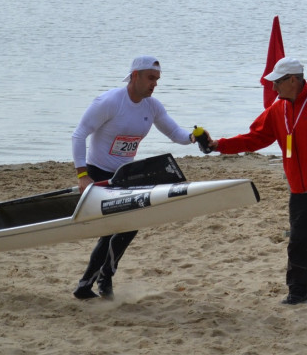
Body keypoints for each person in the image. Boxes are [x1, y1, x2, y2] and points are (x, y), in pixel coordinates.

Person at [206, 57, 307, 310]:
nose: (273, 88)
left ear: (293, 80)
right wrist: (219, 145)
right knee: (298, 241)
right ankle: (298, 292)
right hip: (299, 189)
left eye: (277, 83)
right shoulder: (278, 109)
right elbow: (254, 138)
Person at [72, 56, 207, 300]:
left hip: (125, 176)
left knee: (129, 227)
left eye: (157, 80)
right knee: (114, 229)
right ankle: (90, 284)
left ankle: (102, 279)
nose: (154, 84)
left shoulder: (152, 106)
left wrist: (193, 137)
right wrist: (83, 175)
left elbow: (174, 132)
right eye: (150, 78)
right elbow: (79, 134)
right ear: (135, 75)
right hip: (98, 174)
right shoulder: (110, 102)